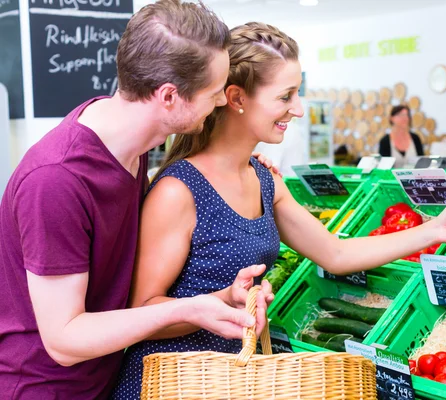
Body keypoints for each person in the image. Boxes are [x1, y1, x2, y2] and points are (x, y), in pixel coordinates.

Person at [111, 21, 446, 398]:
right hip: (175, 384)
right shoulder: (179, 191)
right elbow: (142, 312)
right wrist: (217, 304)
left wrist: (436, 231)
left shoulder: (265, 181)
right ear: (237, 98)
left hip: (241, 382)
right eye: (285, 96)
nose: (297, 109)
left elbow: (337, 253)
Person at [0, 1, 275, 398]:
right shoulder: (56, 181)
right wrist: (184, 308)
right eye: (214, 93)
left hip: (103, 380)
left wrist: (217, 300)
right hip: (45, 389)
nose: (220, 103)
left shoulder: (131, 143)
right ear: (168, 97)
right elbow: (63, 340)